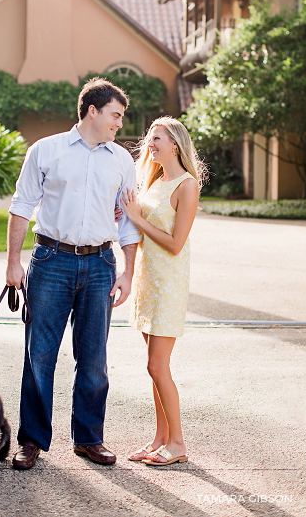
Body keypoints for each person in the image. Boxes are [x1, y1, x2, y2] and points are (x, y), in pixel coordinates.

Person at [5, 78, 141, 470]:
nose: (119, 124)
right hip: (51, 262)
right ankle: (31, 441)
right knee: (39, 357)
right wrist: (13, 262)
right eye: (115, 115)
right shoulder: (46, 151)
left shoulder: (121, 160)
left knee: (94, 359)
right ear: (92, 111)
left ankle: (89, 439)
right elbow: (21, 207)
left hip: (100, 265)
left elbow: (129, 222)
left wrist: (128, 271)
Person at [120, 117, 204, 467]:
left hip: (168, 285)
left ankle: (178, 443)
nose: (149, 144)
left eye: (157, 138)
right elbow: (136, 223)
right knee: (153, 368)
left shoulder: (187, 186)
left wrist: (138, 220)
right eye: (149, 138)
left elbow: (174, 244)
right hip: (146, 283)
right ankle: (160, 439)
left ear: (175, 144)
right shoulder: (154, 179)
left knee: (158, 366)